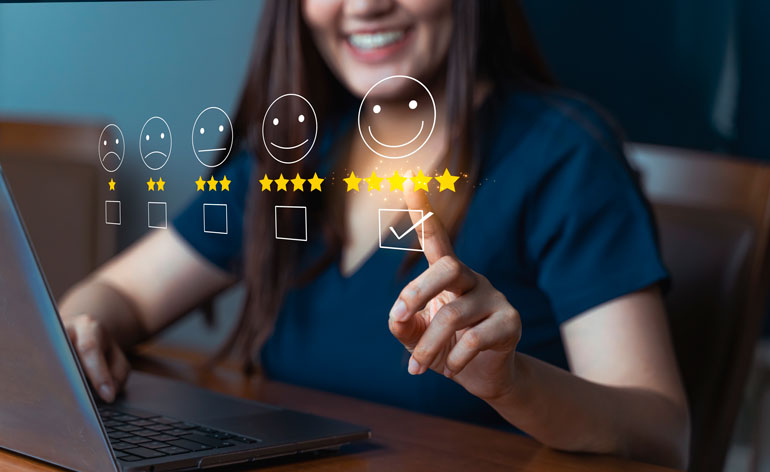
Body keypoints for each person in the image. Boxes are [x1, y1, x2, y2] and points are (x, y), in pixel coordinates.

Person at [60, 0, 690, 467]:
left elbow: (661, 432)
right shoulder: (292, 149)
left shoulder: (565, 155)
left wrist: (513, 382)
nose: (363, 6)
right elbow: (122, 296)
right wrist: (81, 332)